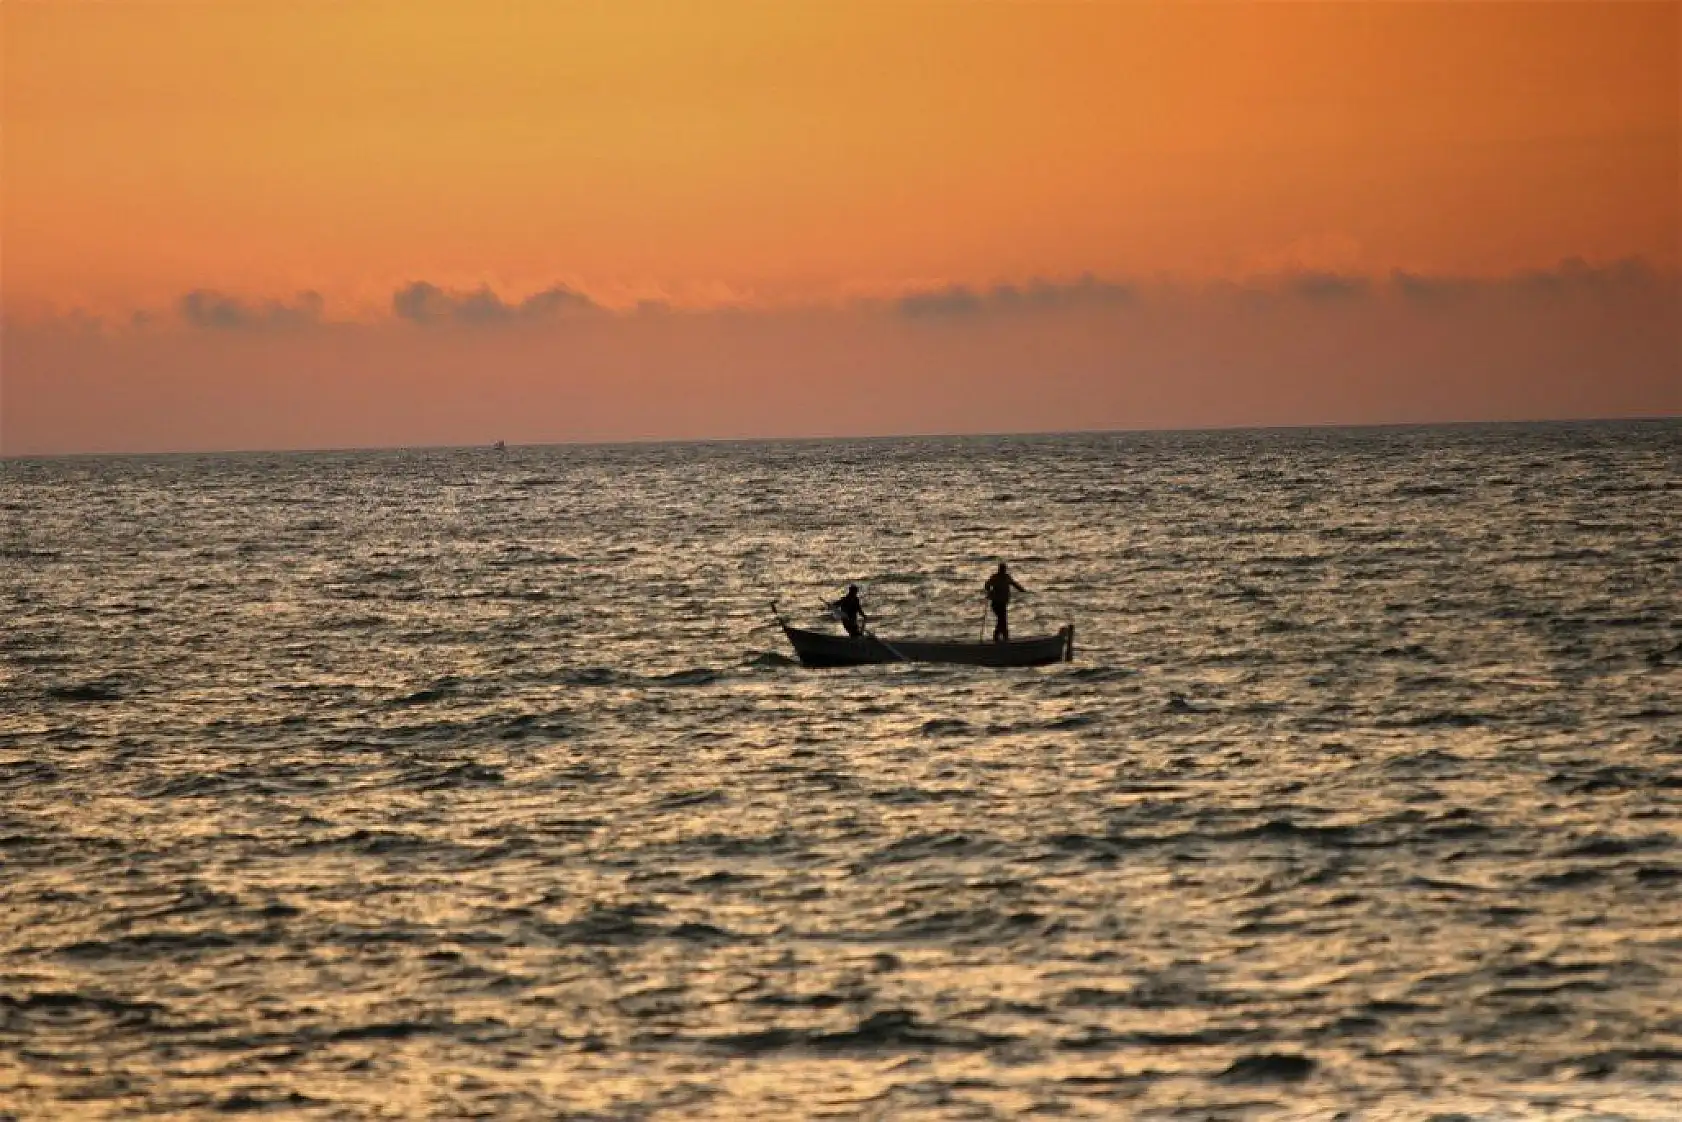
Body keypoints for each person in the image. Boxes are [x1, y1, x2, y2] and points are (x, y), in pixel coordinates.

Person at [982, 562, 1027, 642]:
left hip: (1003, 602)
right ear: (999, 569)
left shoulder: (1007, 577)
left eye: (1004, 569)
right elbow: (987, 585)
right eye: (1002, 569)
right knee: (1001, 619)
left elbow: (1014, 584)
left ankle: (1003, 637)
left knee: (1002, 620)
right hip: (996, 602)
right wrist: (989, 590)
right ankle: (999, 637)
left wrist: (1022, 590)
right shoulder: (995, 577)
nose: (1003, 571)